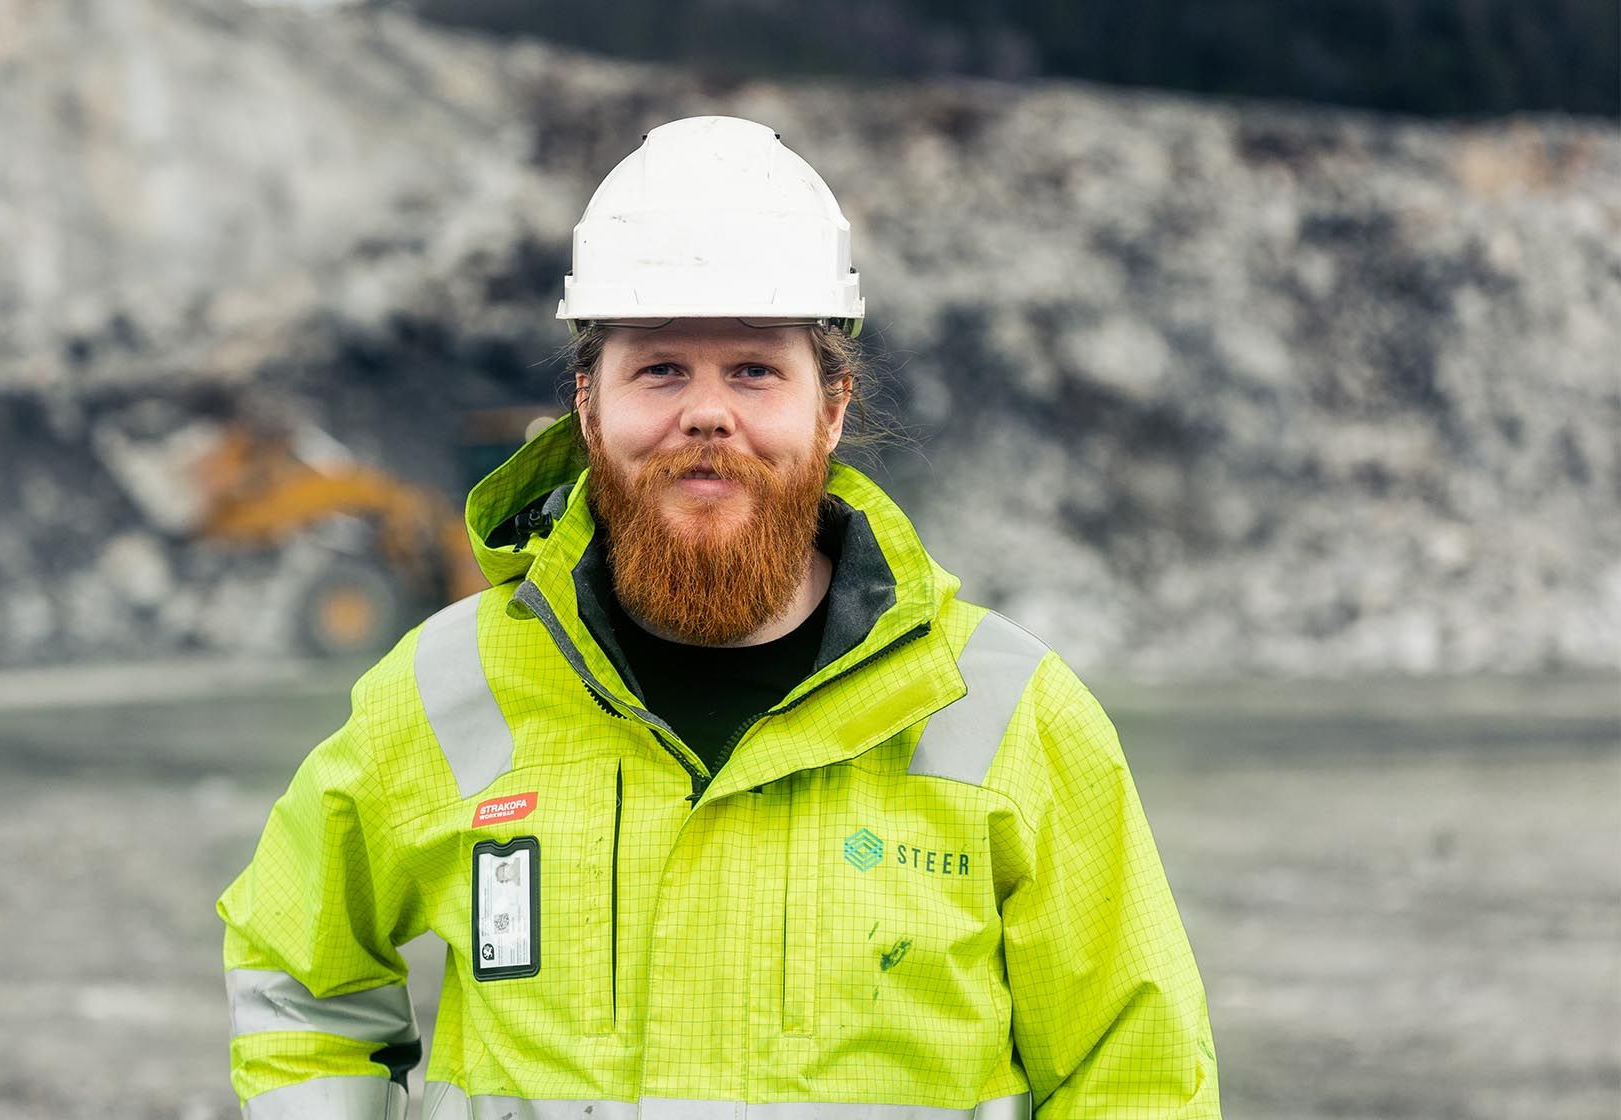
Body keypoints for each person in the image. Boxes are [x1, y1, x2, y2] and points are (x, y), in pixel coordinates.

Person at [217, 115, 1219, 1119]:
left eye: (752, 368)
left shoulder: (1010, 715)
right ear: (587, 405)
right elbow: (297, 973)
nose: (706, 412)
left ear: (830, 407)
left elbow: (1133, 1078)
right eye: (659, 368)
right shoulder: (443, 691)